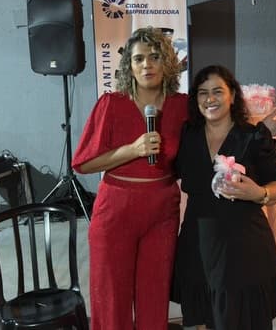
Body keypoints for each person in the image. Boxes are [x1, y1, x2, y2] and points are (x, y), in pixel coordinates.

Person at [71, 27, 188, 330]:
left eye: (155, 57)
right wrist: (133, 150)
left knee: (155, 295)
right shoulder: (112, 103)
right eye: (139, 59)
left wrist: (257, 129)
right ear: (129, 66)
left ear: (167, 62)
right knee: (112, 298)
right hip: (116, 210)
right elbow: (83, 164)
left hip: (162, 211)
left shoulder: (181, 106)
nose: (147, 64)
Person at [171, 65, 276, 330]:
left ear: (232, 96)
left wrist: (260, 193)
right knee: (206, 319)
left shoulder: (253, 136)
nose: (210, 98)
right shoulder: (186, 135)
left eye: (218, 91)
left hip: (244, 251)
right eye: (203, 92)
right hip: (199, 247)